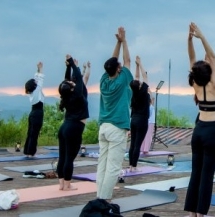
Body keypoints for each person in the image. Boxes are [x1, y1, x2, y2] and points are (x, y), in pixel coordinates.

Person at [185, 22, 215, 217]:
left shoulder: (195, 84)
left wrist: (189, 40)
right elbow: (214, 56)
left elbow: (192, 58)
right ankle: (201, 213)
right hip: (213, 131)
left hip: (199, 131)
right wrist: (201, 37)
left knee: (196, 173)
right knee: (207, 175)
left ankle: (192, 212)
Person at [97, 26, 133, 202]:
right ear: (118, 69)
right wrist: (124, 41)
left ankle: (99, 198)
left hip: (103, 126)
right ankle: (104, 200)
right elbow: (127, 60)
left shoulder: (104, 80)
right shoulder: (122, 80)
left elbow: (114, 61)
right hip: (117, 127)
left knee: (102, 165)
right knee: (112, 167)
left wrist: (117, 42)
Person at [56, 55, 89, 191]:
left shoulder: (67, 95)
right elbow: (79, 79)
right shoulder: (76, 95)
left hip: (65, 127)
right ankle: (68, 185)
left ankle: (62, 184)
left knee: (63, 156)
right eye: (72, 84)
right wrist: (72, 64)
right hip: (74, 128)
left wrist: (69, 66)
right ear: (71, 88)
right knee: (69, 158)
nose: (73, 83)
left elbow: (67, 80)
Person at [127, 56, 150, 172]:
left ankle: (131, 165)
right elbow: (144, 76)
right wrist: (140, 64)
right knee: (137, 145)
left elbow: (137, 78)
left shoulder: (134, 93)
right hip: (142, 121)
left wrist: (136, 65)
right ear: (140, 86)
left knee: (132, 144)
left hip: (134, 120)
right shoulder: (143, 93)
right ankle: (134, 167)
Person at [23, 61, 45, 158]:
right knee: (34, 133)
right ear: (34, 86)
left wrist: (38, 69)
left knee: (30, 132)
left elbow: (37, 80)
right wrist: (40, 68)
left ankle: (28, 151)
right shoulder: (36, 91)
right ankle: (31, 152)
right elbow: (40, 80)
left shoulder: (33, 93)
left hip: (33, 112)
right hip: (38, 113)